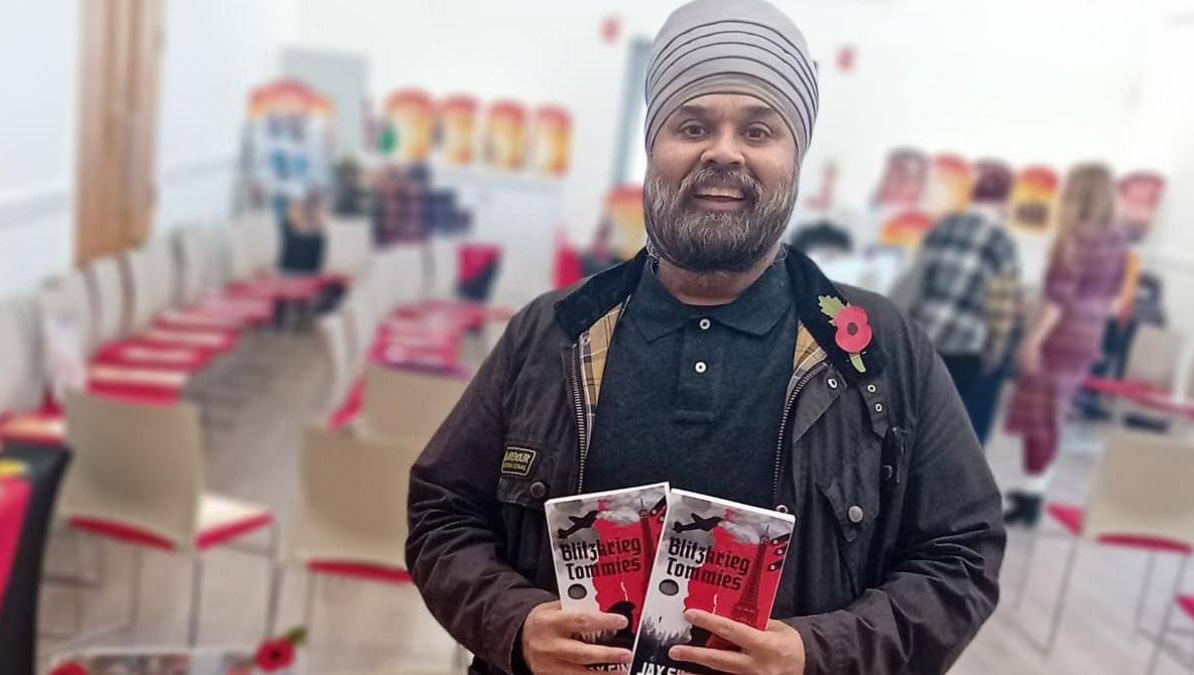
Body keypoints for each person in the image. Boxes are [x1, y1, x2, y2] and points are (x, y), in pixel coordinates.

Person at [406, 1, 1005, 673]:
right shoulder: (551, 334)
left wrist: (815, 655)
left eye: (759, 130)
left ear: (795, 158)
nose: (724, 151)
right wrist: (516, 624)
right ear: (651, 149)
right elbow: (442, 514)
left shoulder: (880, 352)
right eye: (692, 125)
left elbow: (962, 557)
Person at [1003, 164, 1128, 527]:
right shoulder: (1117, 242)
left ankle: (1030, 497)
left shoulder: (1074, 240)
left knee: (1037, 418)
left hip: (1058, 337)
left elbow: (1058, 301)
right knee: (1052, 415)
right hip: (1089, 337)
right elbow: (1113, 299)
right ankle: (1035, 489)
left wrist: (1033, 340)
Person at [906, 170, 1021, 443]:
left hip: (923, 336)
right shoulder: (1002, 243)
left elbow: (915, 281)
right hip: (965, 347)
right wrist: (995, 352)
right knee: (947, 426)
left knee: (913, 413)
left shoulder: (944, 226)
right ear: (1006, 200)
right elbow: (1001, 310)